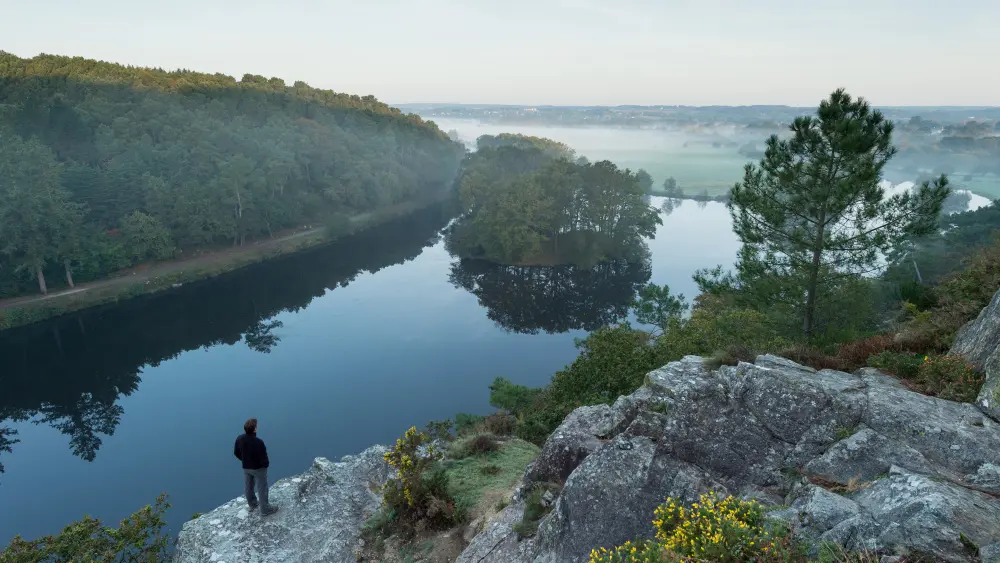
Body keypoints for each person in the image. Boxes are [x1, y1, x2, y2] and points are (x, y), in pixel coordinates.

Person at [234, 418, 279, 516]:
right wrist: (265, 465)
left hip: (246, 467)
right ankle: (265, 510)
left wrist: (244, 460)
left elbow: (236, 452)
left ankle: (252, 504)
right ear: (254, 429)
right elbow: (263, 458)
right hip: (259, 469)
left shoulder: (239, 438)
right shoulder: (258, 442)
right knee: (262, 488)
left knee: (248, 486)